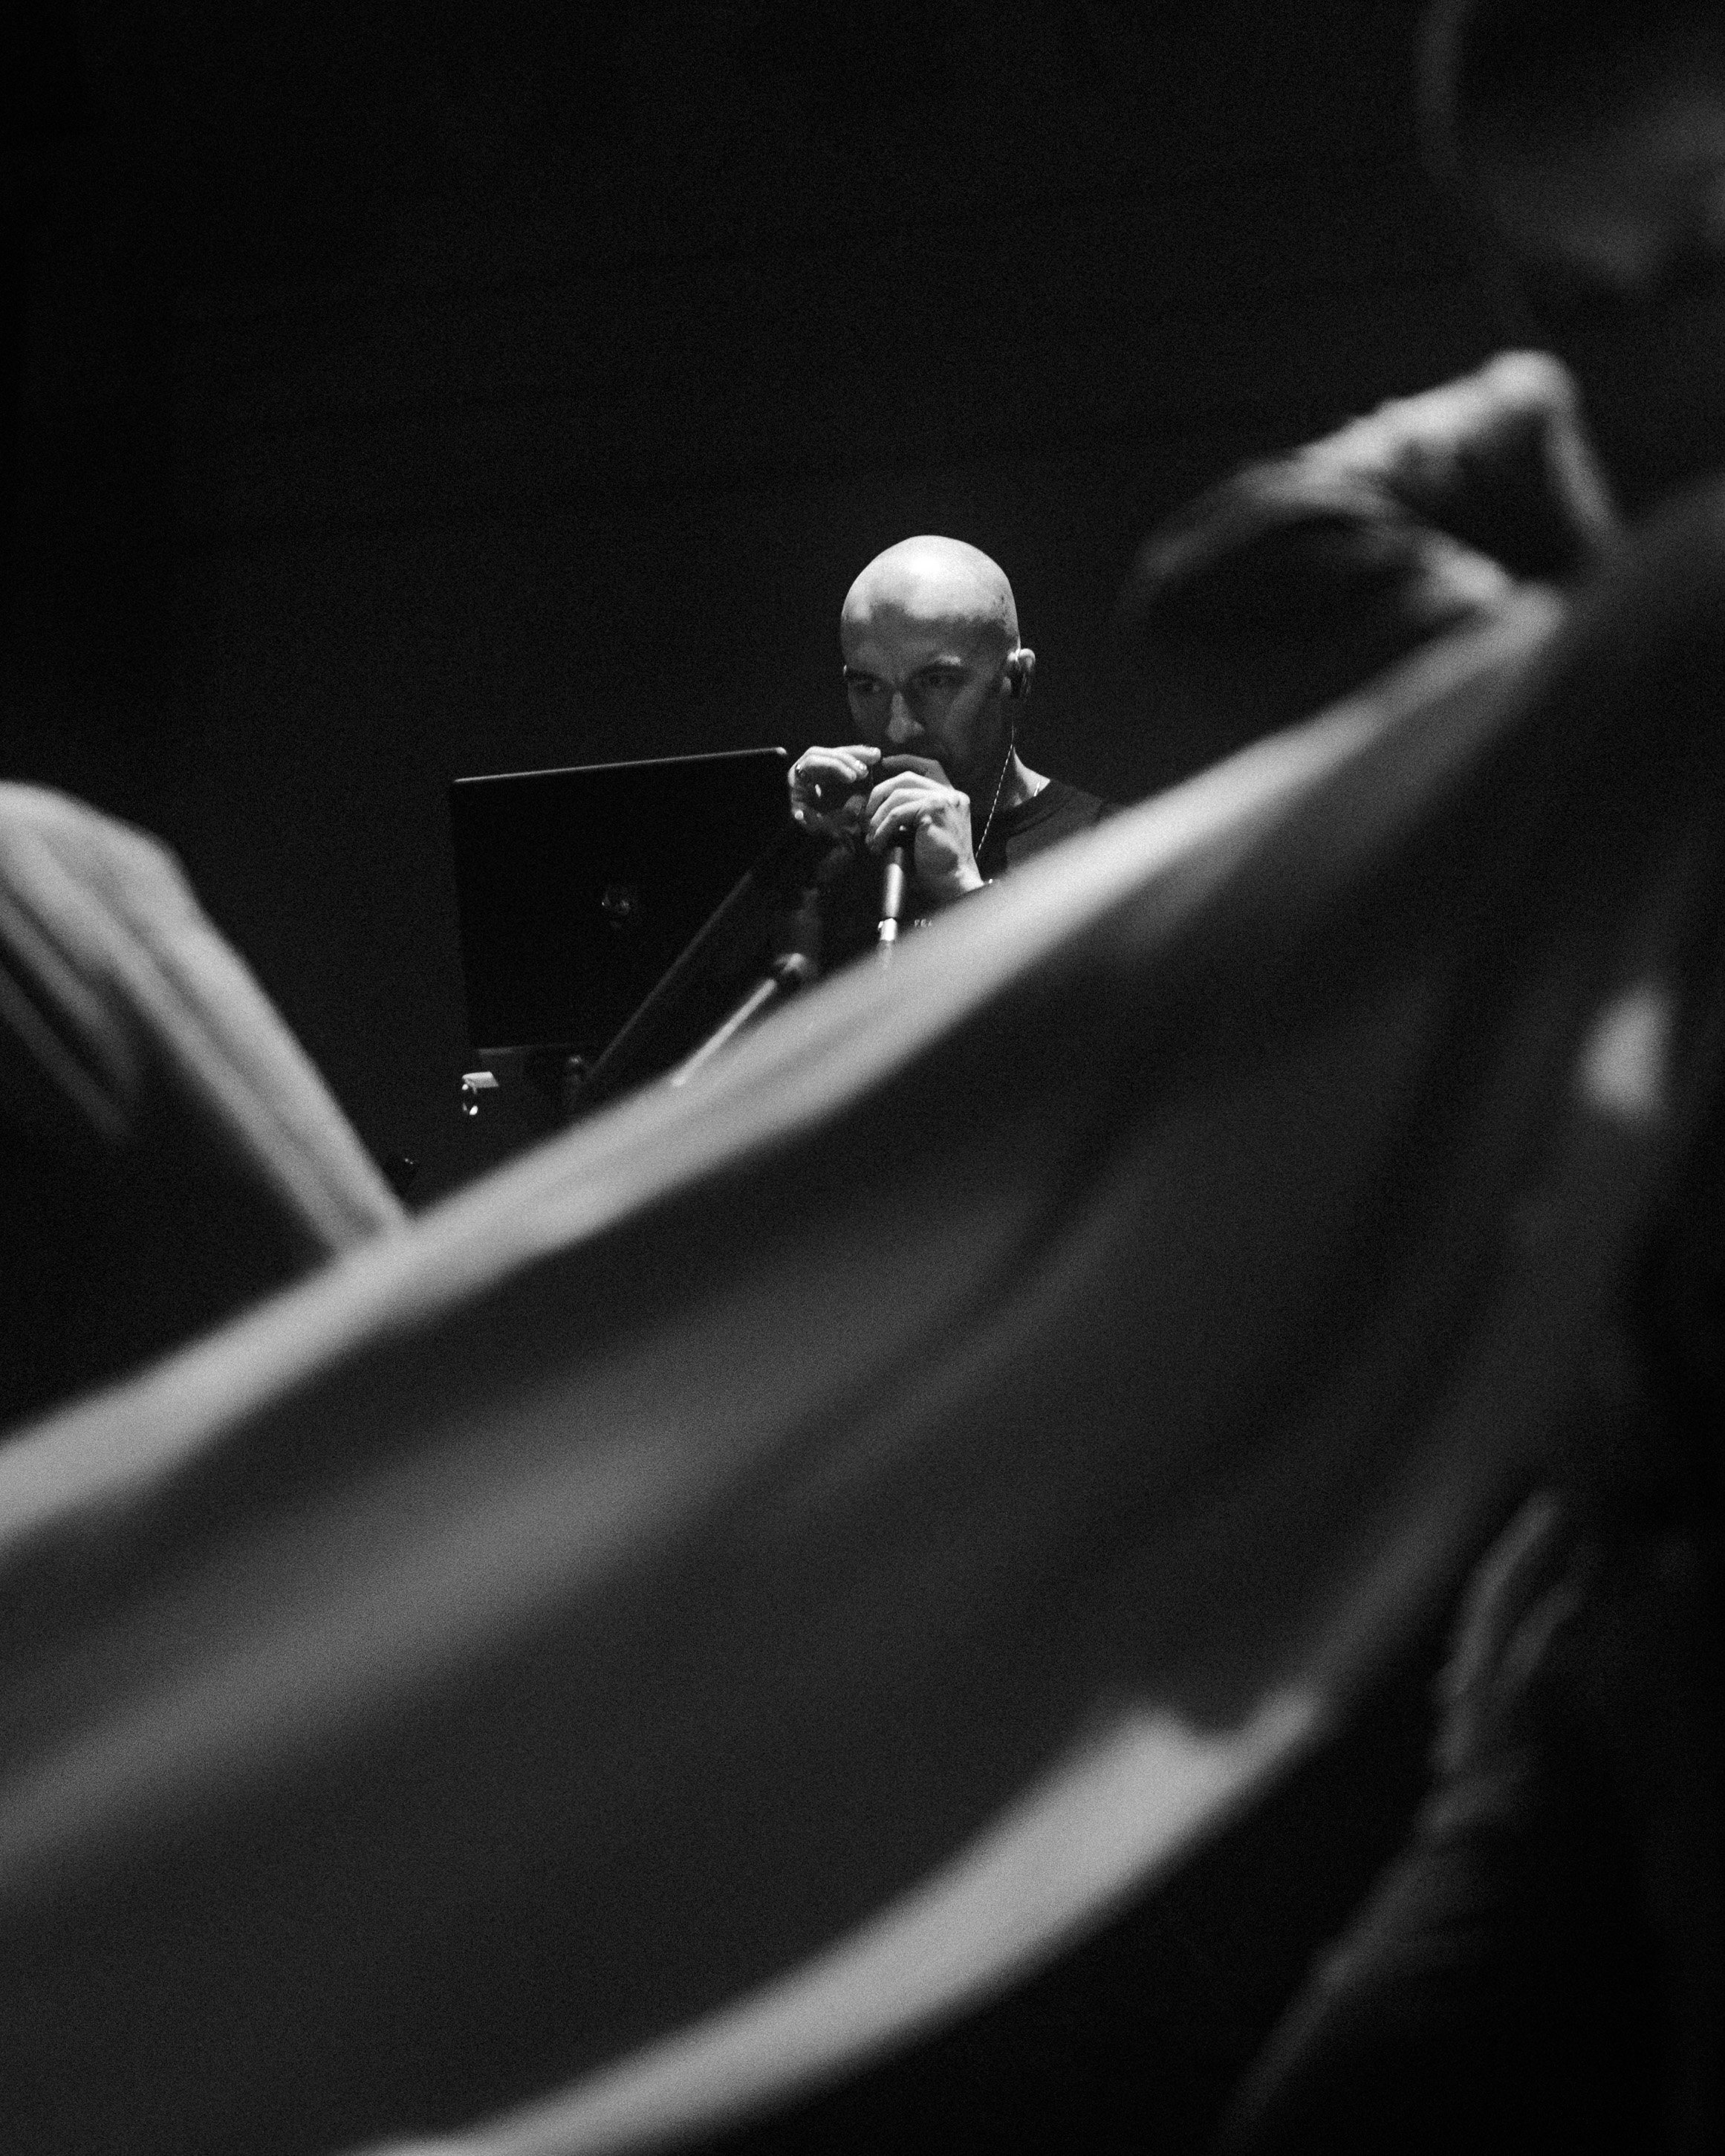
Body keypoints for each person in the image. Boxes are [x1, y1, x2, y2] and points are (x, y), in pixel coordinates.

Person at [787, 536, 1114, 962]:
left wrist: (961, 887)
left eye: (937, 681)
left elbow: (1076, 1026)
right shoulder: (835, 849)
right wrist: (784, 865)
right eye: (867, 687)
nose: (899, 727)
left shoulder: (1106, 847)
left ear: (1017, 680)